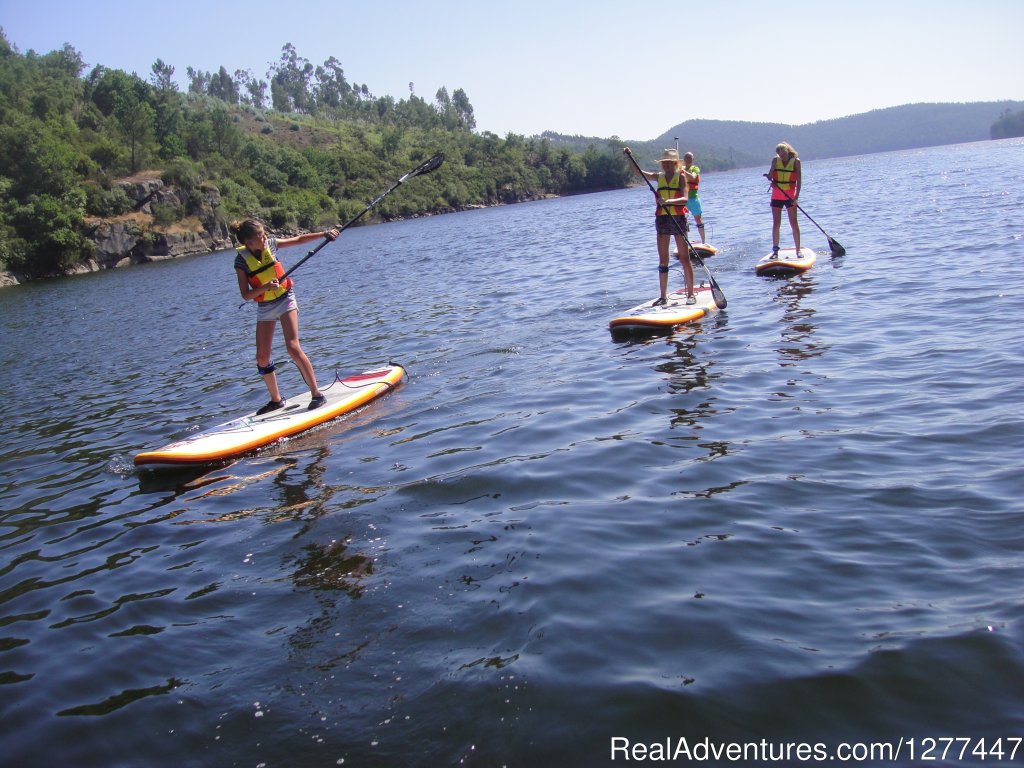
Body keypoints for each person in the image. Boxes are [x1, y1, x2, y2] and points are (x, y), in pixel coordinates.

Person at [231, 218, 339, 414]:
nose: (264, 239)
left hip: (285, 298)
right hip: (265, 306)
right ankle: (276, 400)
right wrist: (264, 287)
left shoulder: (271, 244)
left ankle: (317, 394)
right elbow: (246, 295)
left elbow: (298, 240)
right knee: (262, 357)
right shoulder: (241, 261)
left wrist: (324, 234)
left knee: (292, 347)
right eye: (260, 237)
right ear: (248, 242)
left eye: (264, 235)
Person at [627, 148, 696, 306]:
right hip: (662, 219)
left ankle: (690, 294)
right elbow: (638, 173)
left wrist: (668, 202)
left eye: (668, 163)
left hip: (678, 218)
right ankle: (663, 296)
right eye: (663, 163)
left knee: (685, 258)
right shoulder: (659, 177)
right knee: (663, 259)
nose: (665, 166)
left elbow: (685, 199)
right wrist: (629, 157)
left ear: (674, 164)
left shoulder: (682, 177)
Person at [767, 141, 801, 258]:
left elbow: (799, 180)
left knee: (794, 223)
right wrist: (769, 174)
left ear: (787, 150)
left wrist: (796, 197)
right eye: (779, 153)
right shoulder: (775, 161)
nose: (781, 155)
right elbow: (770, 176)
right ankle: (775, 251)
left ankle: (798, 250)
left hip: (790, 196)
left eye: (783, 152)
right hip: (777, 195)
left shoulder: (796, 162)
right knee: (776, 223)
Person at [681, 152, 706, 243]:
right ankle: (685, 242)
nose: (688, 159)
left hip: (694, 198)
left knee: (698, 219)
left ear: (693, 159)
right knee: (683, 220)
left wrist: (682, 171)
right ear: (684, 159)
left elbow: (692, 177)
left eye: (690, 158)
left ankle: (703, 241)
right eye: (686, 157)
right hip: (684, 199)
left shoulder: (695, 169)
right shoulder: (680, 170)